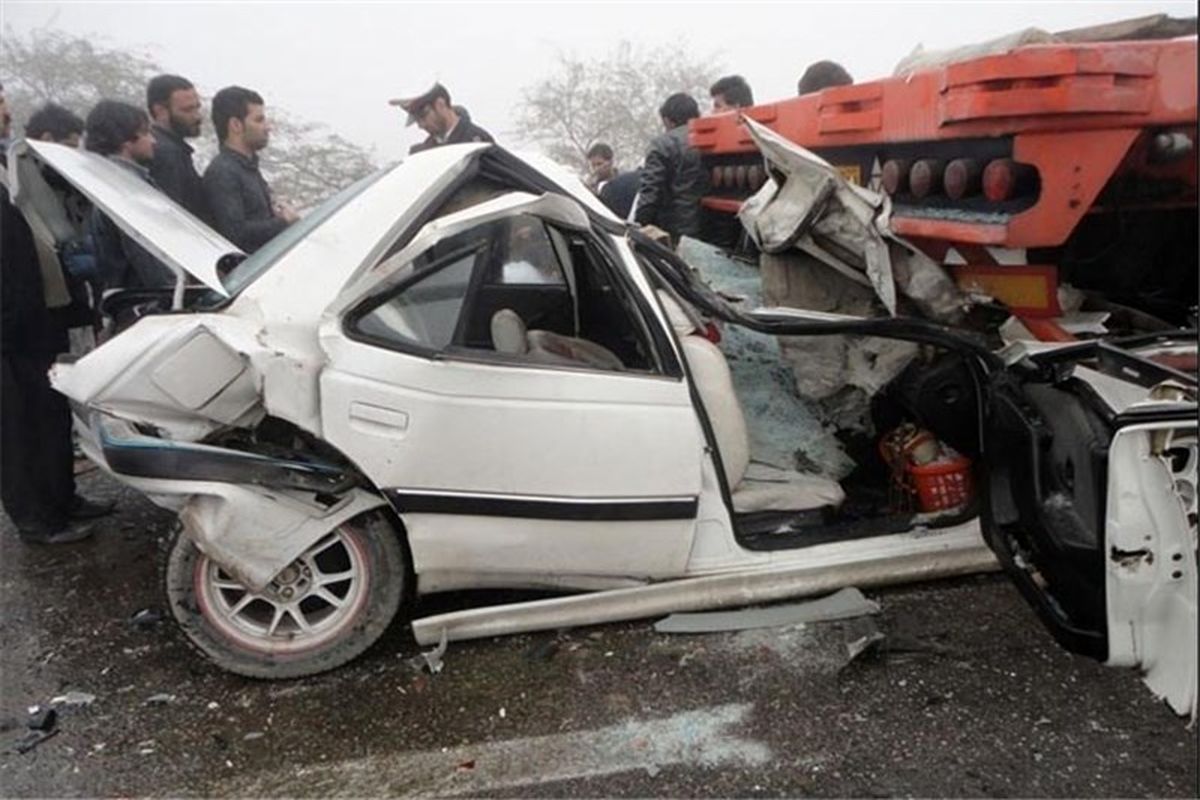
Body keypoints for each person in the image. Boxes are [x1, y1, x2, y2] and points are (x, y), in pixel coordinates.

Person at [1, 86, 113, 544]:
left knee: (49, 414)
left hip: (37, 319)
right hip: (9, 329)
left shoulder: (17, 171)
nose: (6, 115)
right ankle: (35, 520)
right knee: (14, 428)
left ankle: (62, 499)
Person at [84, 100, 175, 294]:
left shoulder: (111, 184)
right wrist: (175, 294)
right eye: (146, 133)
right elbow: (149, 259)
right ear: (125, 141)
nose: (154, 140)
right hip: (147, 303)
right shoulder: (126, 191)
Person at [202, 86, 296, 253]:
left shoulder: (248, 168)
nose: (267, 127)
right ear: (236, 125)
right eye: (259, 120)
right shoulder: (223, 172)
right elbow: (235, 232)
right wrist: (283, 221)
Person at [634, 93, 707, 246]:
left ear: (668, 120)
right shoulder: (710, 140)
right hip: (710, 229)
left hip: (674, 230)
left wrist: (638, 225)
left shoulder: (663, 144)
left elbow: (650, 192)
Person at [146, 74, 211, 223]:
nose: (197, 117)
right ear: (160, 110)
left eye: (197, 108)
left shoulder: (175, 150)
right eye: (187, 110)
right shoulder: (166, 153)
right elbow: (173, 216)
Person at [389, 82, 493, 155]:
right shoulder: (423, 153)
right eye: (417, 120)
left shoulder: (478, 144)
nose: (421, 125)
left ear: (440, 104)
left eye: (423, 116)